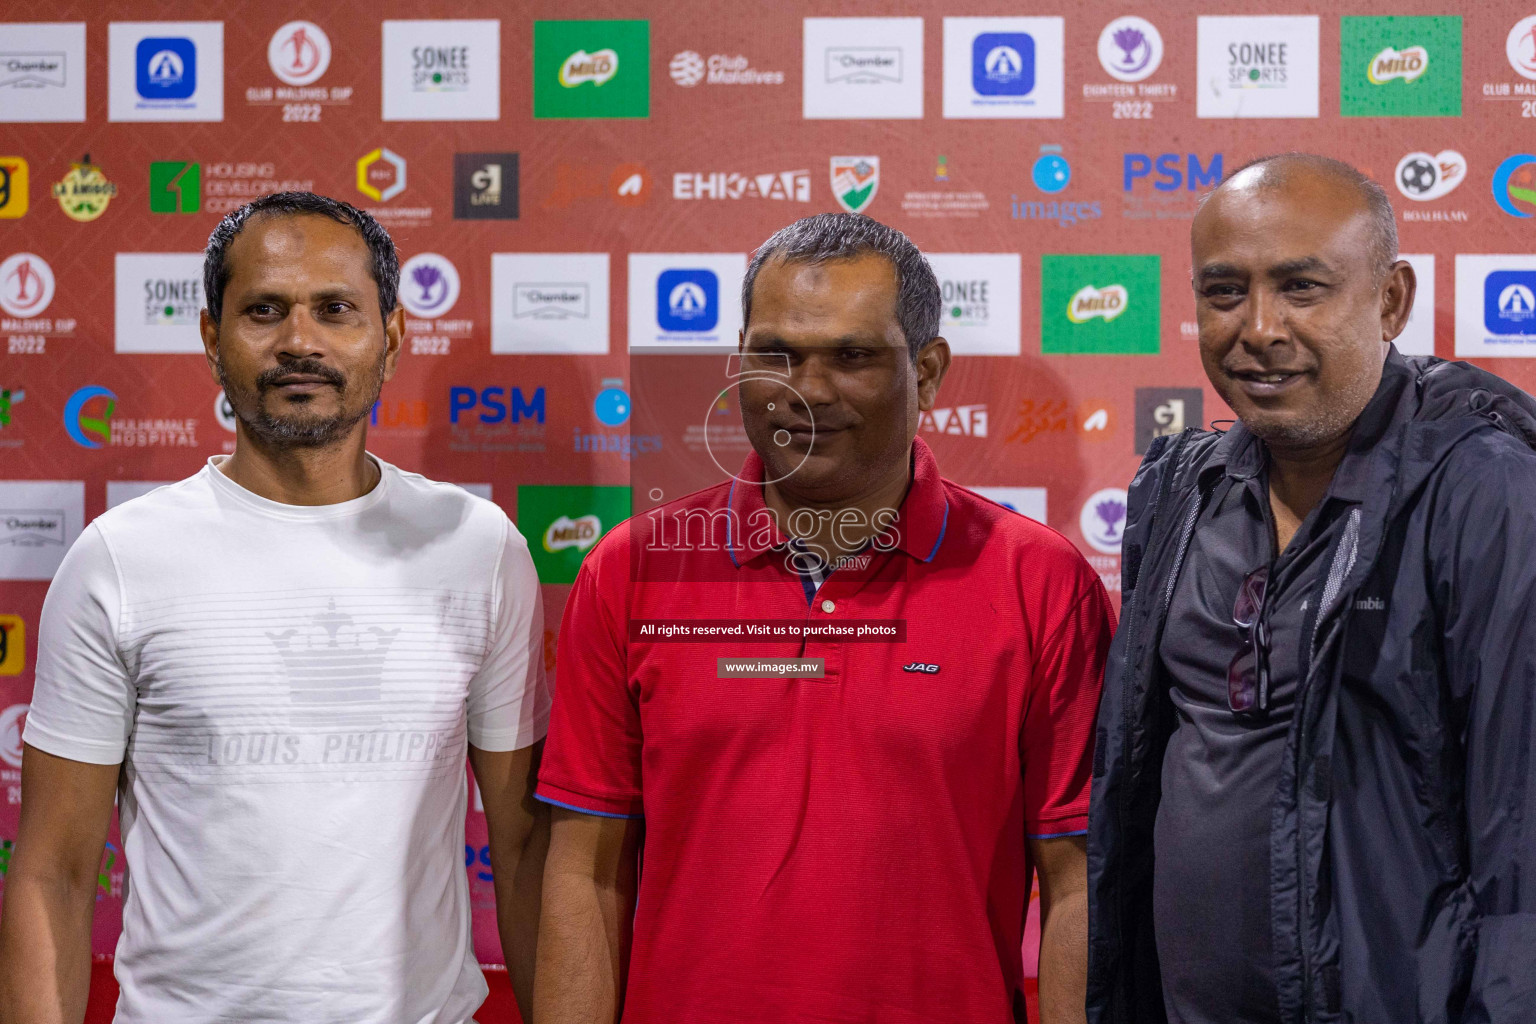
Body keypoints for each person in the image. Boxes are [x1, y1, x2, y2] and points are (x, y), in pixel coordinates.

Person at [534, 212, 1114, 1024]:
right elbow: (585, 873)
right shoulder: (631, 569)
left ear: (931, 372)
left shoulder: (1039, 580)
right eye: (776, 355)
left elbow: (1076, 883)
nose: (806, 391)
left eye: (853, 356)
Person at [0, 192, 550, 1024]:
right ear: (212, 338)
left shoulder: (480, 547)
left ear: (392, 336)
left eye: (336, 309)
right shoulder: (119, 560)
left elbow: (524, 849)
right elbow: (54, 875)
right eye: (264, 310)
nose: (301, 341)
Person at [1087, 154, 1536, 1024]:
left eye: (1302, 288)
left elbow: (1522, 830)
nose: (1259, 327)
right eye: (1224, 293)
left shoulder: (1489, 492)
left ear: (1391, 300)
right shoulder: (1179, 488)